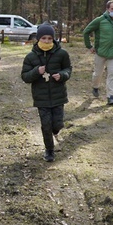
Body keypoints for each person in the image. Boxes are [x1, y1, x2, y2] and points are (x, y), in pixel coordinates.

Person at [21, 24, 72, 162]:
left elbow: (68, 69)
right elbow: (25, 76)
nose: (47, 41)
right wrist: (36, 72)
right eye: (43, 38)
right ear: (38, 39)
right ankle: (49, 150)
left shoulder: (62, 54)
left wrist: (62, 75)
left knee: (58, 124)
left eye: (50, 38)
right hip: (41, 98)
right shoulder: (31, 57)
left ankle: (55, 131)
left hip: (58, 96)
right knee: (46, 125)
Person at [82, 0, 113, 105]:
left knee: (112, 74)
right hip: (100, 52)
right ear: (107, 9)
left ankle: (111, 96)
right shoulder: (100, 20)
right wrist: (89, 46)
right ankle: (95, 87)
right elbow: (86, 31)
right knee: (98, 73)